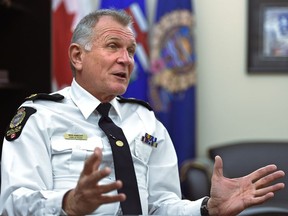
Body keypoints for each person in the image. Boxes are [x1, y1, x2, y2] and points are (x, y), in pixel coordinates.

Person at [0, 9, 285, 216]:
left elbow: (161, 205)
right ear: (77, 56)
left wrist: (207, 208)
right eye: (113, 46)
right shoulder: (40, 116)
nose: (126, 59)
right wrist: (68, 203)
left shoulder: (145, 120)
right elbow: (12, 204)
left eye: (131, 50)